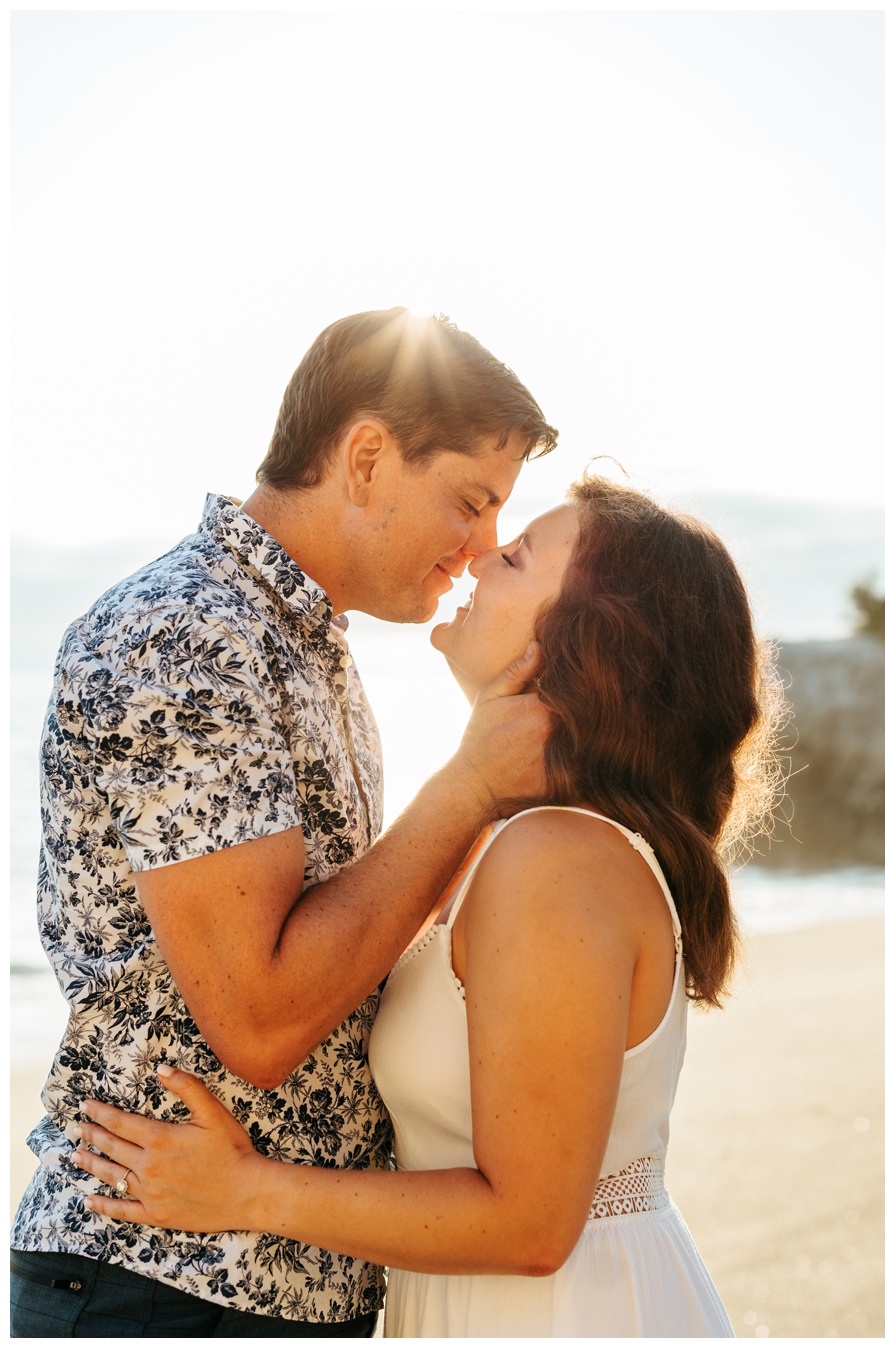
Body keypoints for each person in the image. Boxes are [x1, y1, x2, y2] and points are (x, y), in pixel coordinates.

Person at [63, 474, 775, 1336]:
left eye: (514, 558)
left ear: (590, 641)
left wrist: (248, 1189)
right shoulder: (502, 836)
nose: (479, 557)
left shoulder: (556, 859)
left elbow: (532, 1224)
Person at [10, 309, 557, 1336]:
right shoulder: (187, 632)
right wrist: (469, 787)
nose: (483, 548)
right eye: (470, 502)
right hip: (163, 1277)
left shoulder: (309, 643)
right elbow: (259, 1020)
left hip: (285, 1279)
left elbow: (356, 941)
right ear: (364, 457)